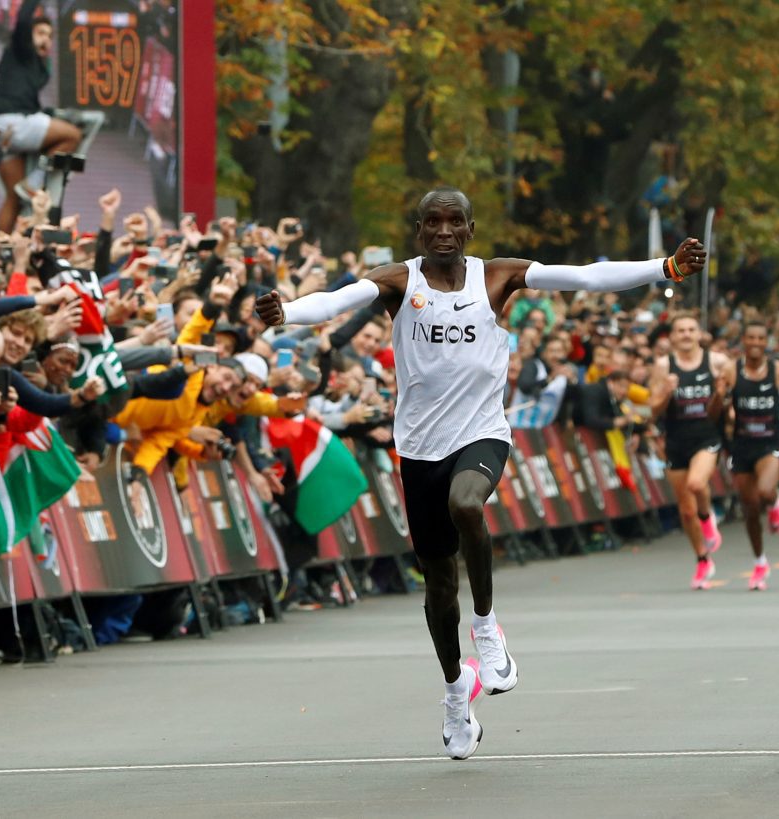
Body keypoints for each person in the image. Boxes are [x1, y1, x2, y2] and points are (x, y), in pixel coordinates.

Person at [256, 186, 705, 760]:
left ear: (470, 229)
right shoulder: (399, 280)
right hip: (419, 448)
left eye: (455, 222)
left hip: (482, 432)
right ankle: (454, 690)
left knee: (467, 504)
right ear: (420, 230)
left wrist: (663, 267)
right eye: (433, 222)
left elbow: (586, 278)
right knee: (439, 585)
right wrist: (289, 311)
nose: (444, 231)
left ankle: (488, 628)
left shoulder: (497, 277)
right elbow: (336, 301)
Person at [0, 0, 84, 231]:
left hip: (3, 131)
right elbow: (24, 19)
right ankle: (34, 182)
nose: (45, 39)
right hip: (11, 123)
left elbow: (28, 100)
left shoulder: (36, 65)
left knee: (13, 199)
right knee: (72, 136)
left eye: (49, 35)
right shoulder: (20, 49)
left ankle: (1, 249)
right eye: (40, 33)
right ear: (28, 34)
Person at [648, 311, 733, 590]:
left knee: (697, 484)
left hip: (707, 435)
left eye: (690, 330)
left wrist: (722, 396)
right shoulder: (663, 366)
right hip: (676, 439)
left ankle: (708, 519)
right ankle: (702, 559)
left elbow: (730, 398)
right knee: (685, 511)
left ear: (700, 335)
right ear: (672, 337)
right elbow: (653, 409)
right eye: (680, 330)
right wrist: (667, 393)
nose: (685, 335)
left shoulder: (717, 362)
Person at [725, 319, 779, 590]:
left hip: (770, 441)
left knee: (765, 491)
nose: (756, 343)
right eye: (751, 338)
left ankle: (775, 500)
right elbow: (718, 406)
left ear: (766, 342)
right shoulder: (731, 371)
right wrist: (721, 401)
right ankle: (760, 561)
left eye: (761, 338)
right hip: (742, 444)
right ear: (743, 342)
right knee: (749, 508)